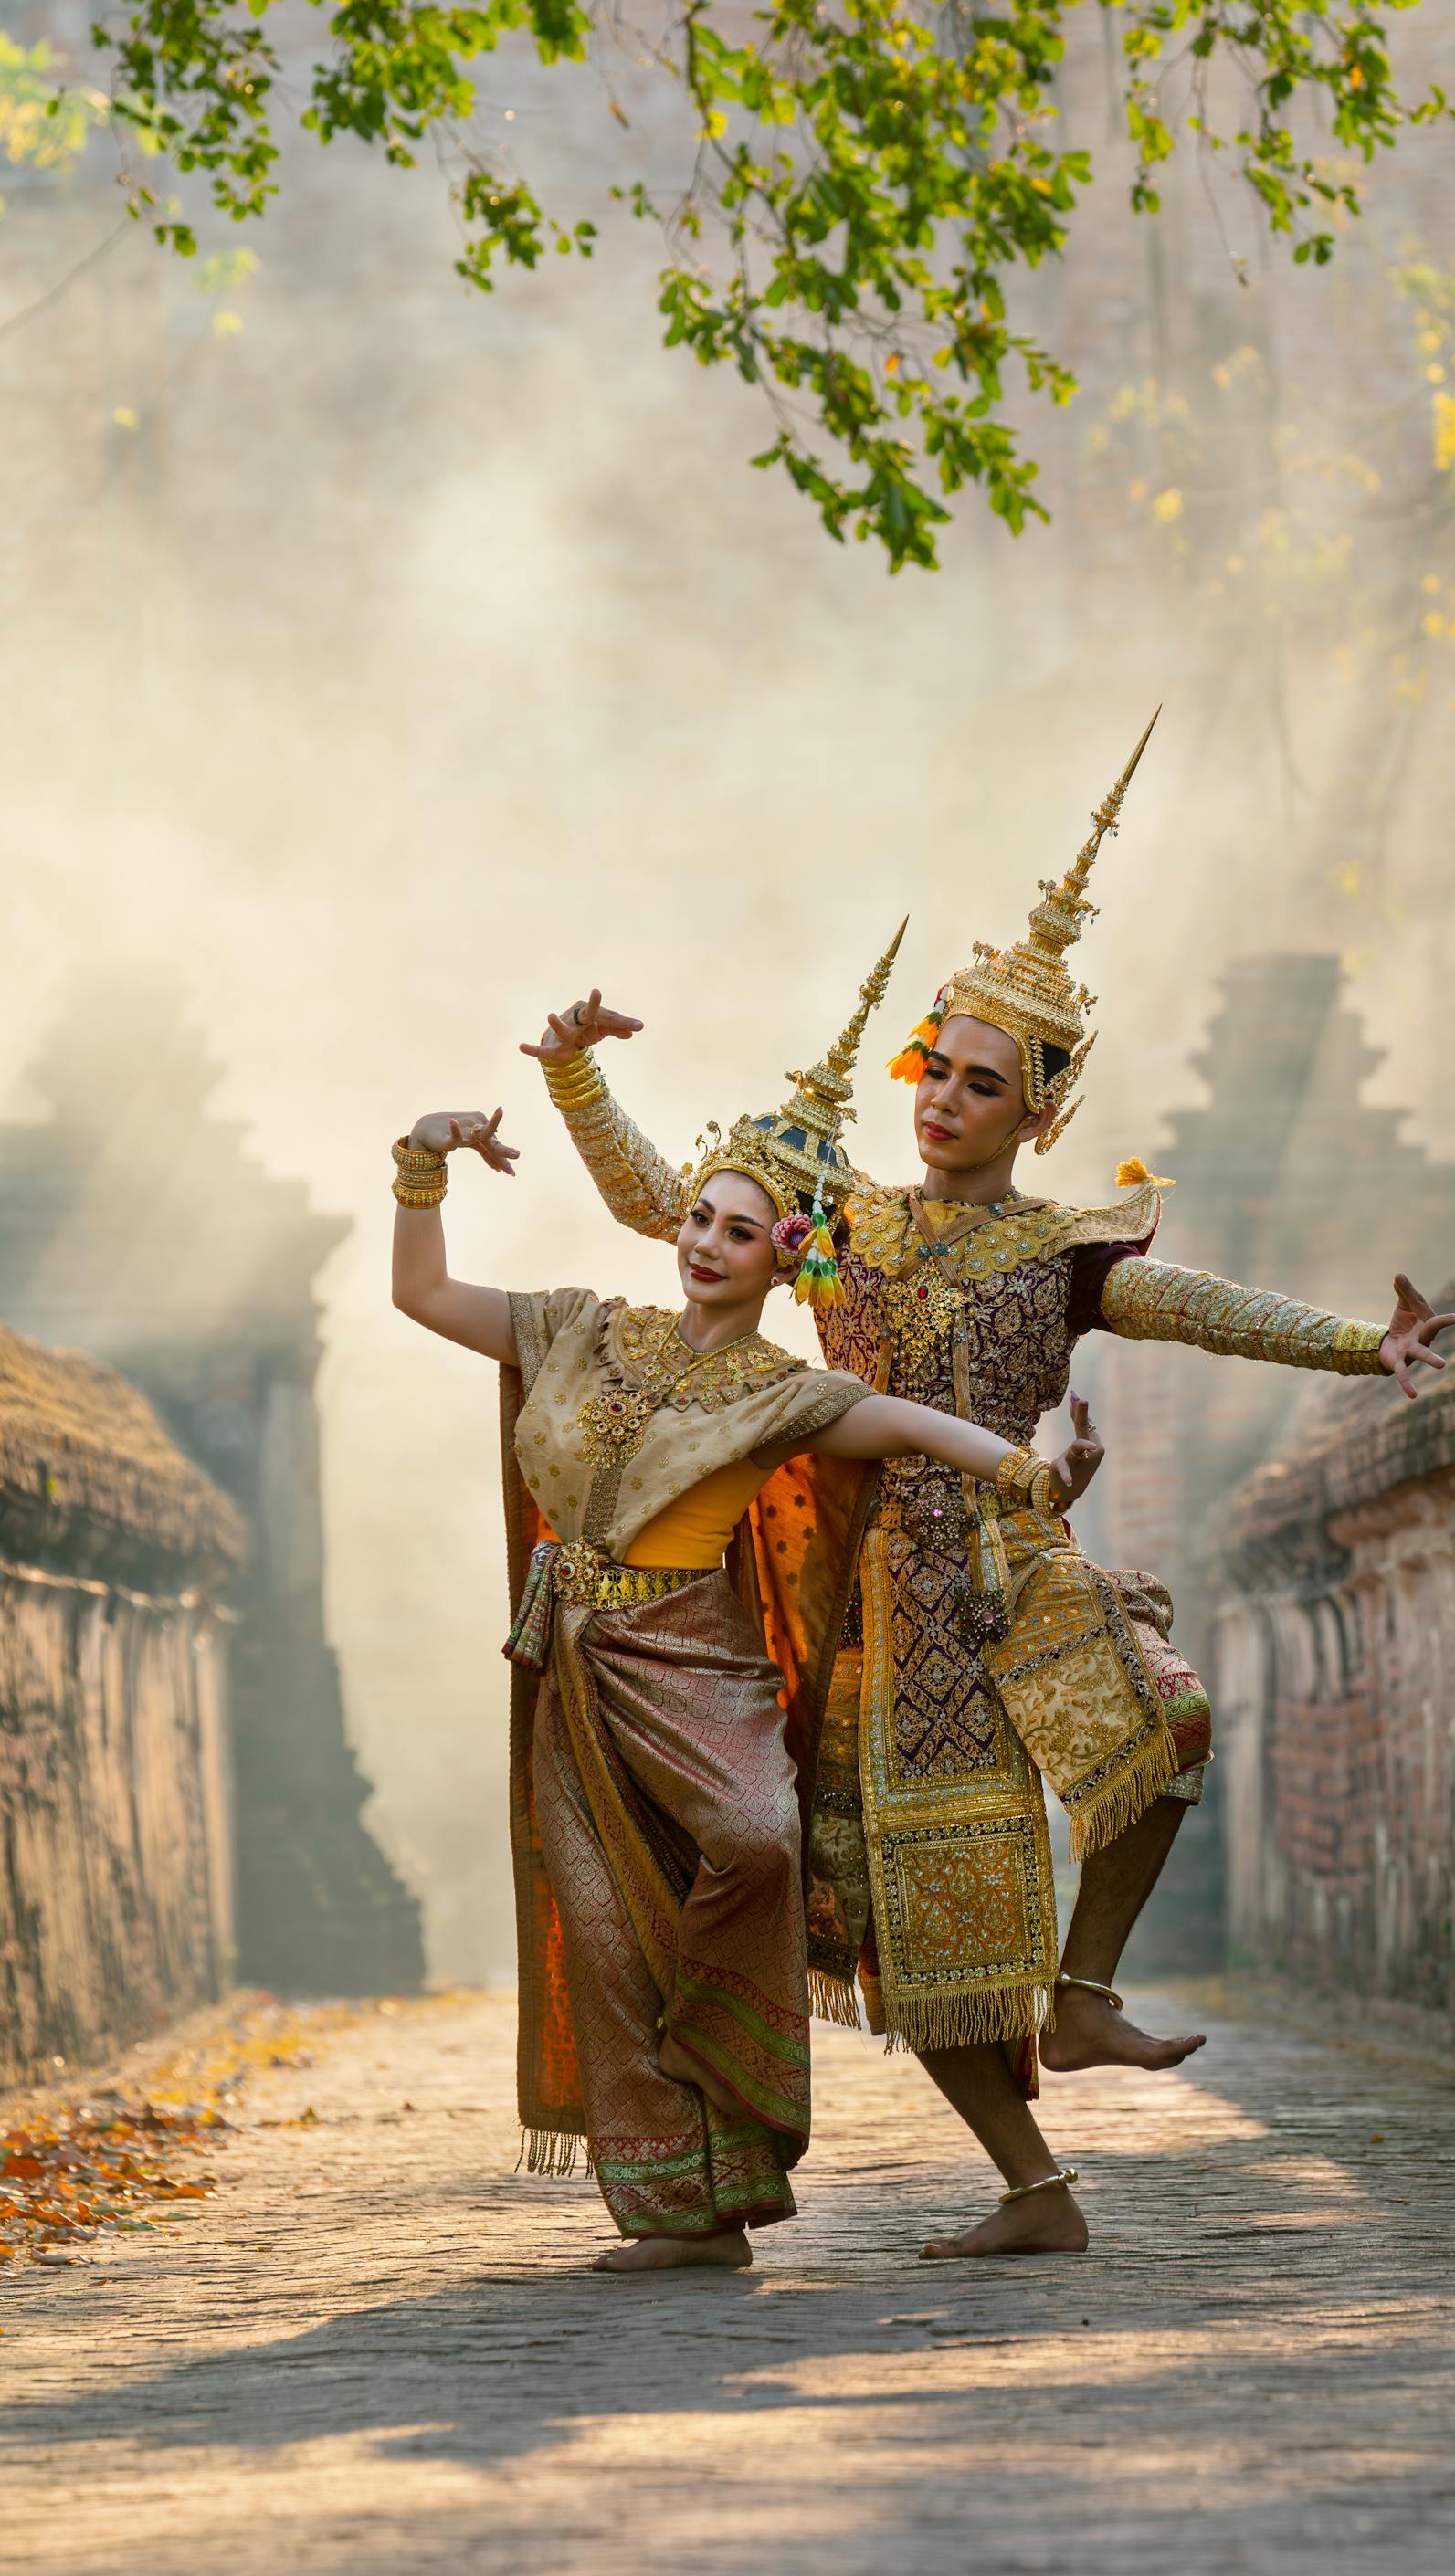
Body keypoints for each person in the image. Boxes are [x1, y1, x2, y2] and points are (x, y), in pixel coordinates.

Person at [524, 723, 1455, 2260]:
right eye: (932, 1071)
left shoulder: (1063, 1251)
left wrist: (1366, 1344)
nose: (942, 1100)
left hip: (1019, 1550)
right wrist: (571, 1078)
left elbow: (1204, 1308)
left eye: (980, 1084)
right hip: (878, 1598)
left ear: (1042, 1113)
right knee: (920, 1912)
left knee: (1165, 1722)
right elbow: (659, 1205)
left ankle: (1085, 1994)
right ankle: (1037, 2193)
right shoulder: (843, 1229)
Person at [389, 936, 1093, 2272]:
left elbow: (920, 1424)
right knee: (600, 1934)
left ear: (789, 1257)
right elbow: (418, 1292)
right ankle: (685, 2220)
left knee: (758, 1846)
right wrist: (421, 1165)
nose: (708, 1246)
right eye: (697, 1221)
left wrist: (1033, 1471)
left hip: (701, 1672)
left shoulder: (785, 1395)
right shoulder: (580, 1329)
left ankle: (730, 2051)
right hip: (573, 1677)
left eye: (740, 1231)